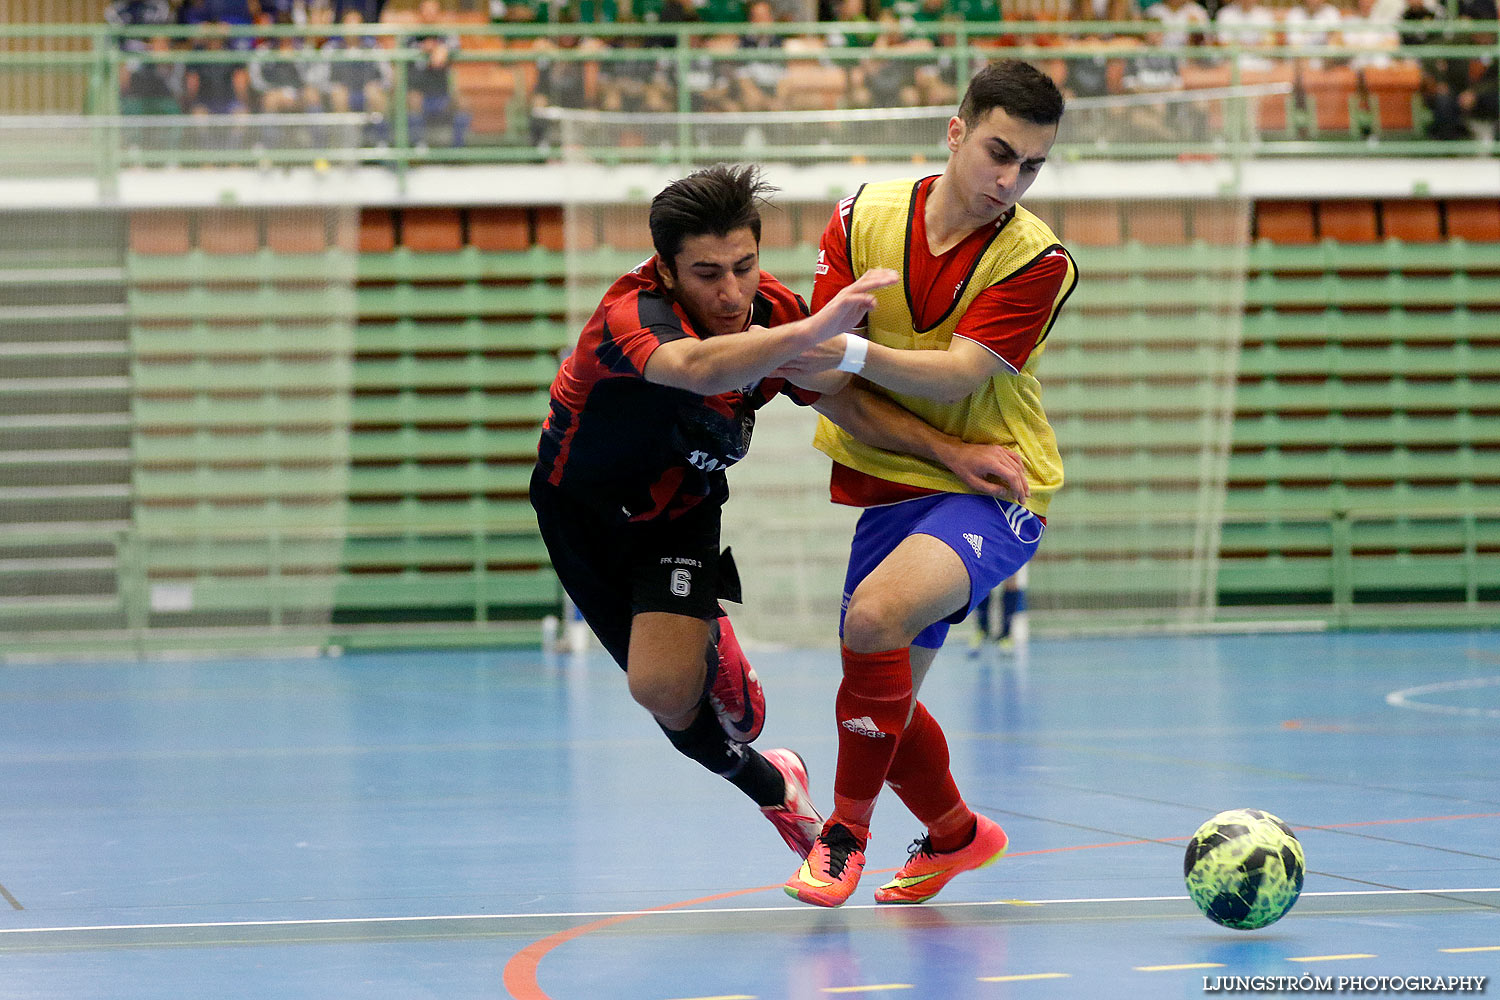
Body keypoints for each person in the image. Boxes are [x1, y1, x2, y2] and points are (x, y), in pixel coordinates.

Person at [531, 164, 1021, 864]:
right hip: (580, 513)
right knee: (668, 703)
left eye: (744, 266)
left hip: (679, 513)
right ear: (666, 273)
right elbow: (703, 369)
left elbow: (843, 402)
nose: (731, 292)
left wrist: (951, 452)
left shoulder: (777, 313)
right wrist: (817, 331)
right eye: (706, 274)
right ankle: (775, 785)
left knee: (661, 682)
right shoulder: (630, 317)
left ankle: (706, 631)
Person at [773, 59, 1076, 908]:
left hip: (997, 487)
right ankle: (957, 836)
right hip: (894, 479)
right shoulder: (862, 216)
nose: (1009, 181)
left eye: (1031, 166)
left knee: (872, 621)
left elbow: (953, 378)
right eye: (998, 152)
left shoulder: (1037, 260)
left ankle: (842, 836)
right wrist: (839, 366)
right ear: (955, 131)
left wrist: (845, 349)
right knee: (880, 691)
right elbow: (831, 389)